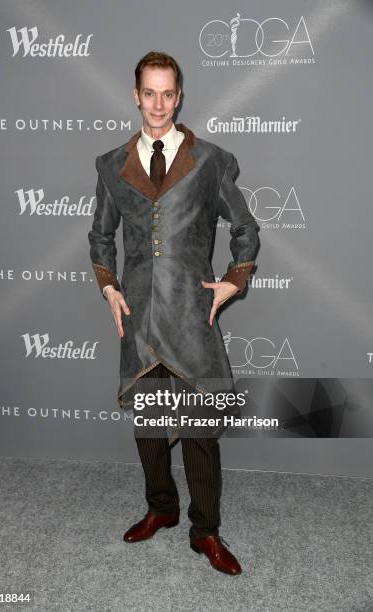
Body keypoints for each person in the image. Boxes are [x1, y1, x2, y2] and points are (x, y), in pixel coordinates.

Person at [88, 50, 260, 575]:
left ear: (178, 96)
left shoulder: (209, 160)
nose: (158, 103)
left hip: (190, 316)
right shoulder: (111, 165)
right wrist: (109, 286)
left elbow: (245, 228)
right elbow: (100, 236)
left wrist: (232, 281)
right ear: (135, 96)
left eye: (168, 93)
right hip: (139, 317)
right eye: (149, 93)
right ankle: (160, 508)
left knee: (200, 431)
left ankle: (205, 531)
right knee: (150, 425)